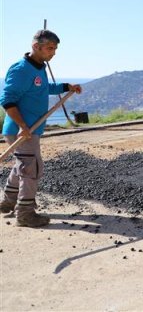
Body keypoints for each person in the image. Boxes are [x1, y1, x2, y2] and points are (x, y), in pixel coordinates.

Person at [0, 30, 83, 227]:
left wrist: (66, 86)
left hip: (31, 130)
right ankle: (25, 214)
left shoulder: (39, 67)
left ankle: (8, 201)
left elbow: (43, 87)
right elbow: (7, 100)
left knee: (23, 165)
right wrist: (23, 126)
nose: (53, 53)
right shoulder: (21, 69)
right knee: (33, 169)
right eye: (50, 48)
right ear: (36, 47)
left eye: (55, 49)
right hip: (21, 130)